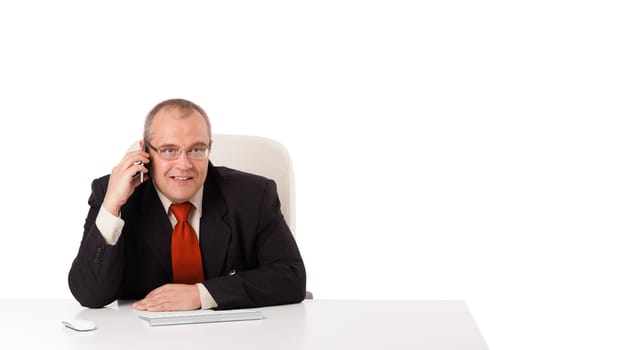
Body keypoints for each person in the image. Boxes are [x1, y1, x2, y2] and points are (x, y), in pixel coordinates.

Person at [68, 98, 306, 311]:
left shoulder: (253, 195)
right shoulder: (112, 194)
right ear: (144, 151)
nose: (184, 164)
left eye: (196, 150)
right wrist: (111, 206)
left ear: (209, 148)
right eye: (169, 150)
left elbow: (291, 277)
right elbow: (90, 295)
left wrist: (201, 294)